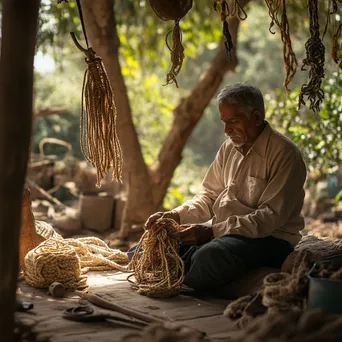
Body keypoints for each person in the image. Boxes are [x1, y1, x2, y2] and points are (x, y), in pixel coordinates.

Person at [144, 83, 307, 292]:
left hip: (270, 239)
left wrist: (213, 231)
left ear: (257, 118)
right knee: (150, 247)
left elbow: (269, 218)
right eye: (224, 122)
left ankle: (183, 271)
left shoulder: (285, 154)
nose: (227, 130)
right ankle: (185, 270)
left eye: (234, 121)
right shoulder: (229, 148)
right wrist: (175, 216)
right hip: (225, 234)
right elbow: (210, 196)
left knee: (209, 257)